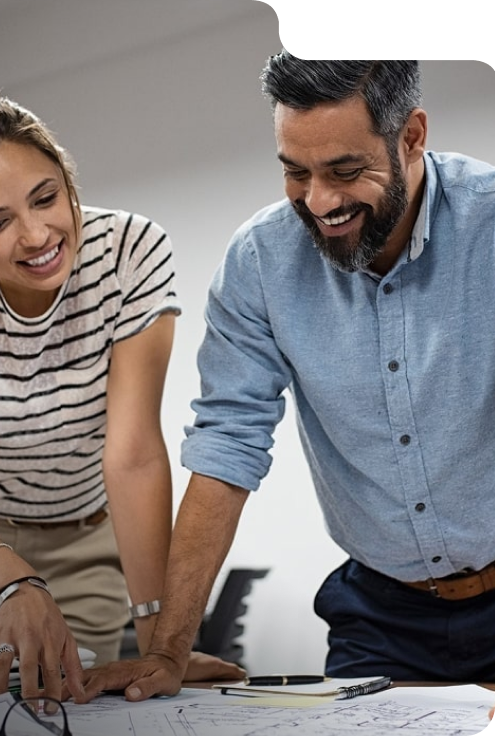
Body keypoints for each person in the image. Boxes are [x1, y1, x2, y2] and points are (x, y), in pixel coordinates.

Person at [70, 56, 495, 708]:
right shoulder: (260, 262)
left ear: (411, 137)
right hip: (379, 612)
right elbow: (226, 446)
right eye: (296, 172)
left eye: (345, 172)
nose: (320, 202)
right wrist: (167, 651)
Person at [0, 92, 245, 702]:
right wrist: (13, 582)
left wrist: (162, 644)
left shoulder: (129, 250)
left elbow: (132, 452)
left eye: (46, 198)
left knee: (66, 707)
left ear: (67, 180)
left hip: (85, 543)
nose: (37, 235)